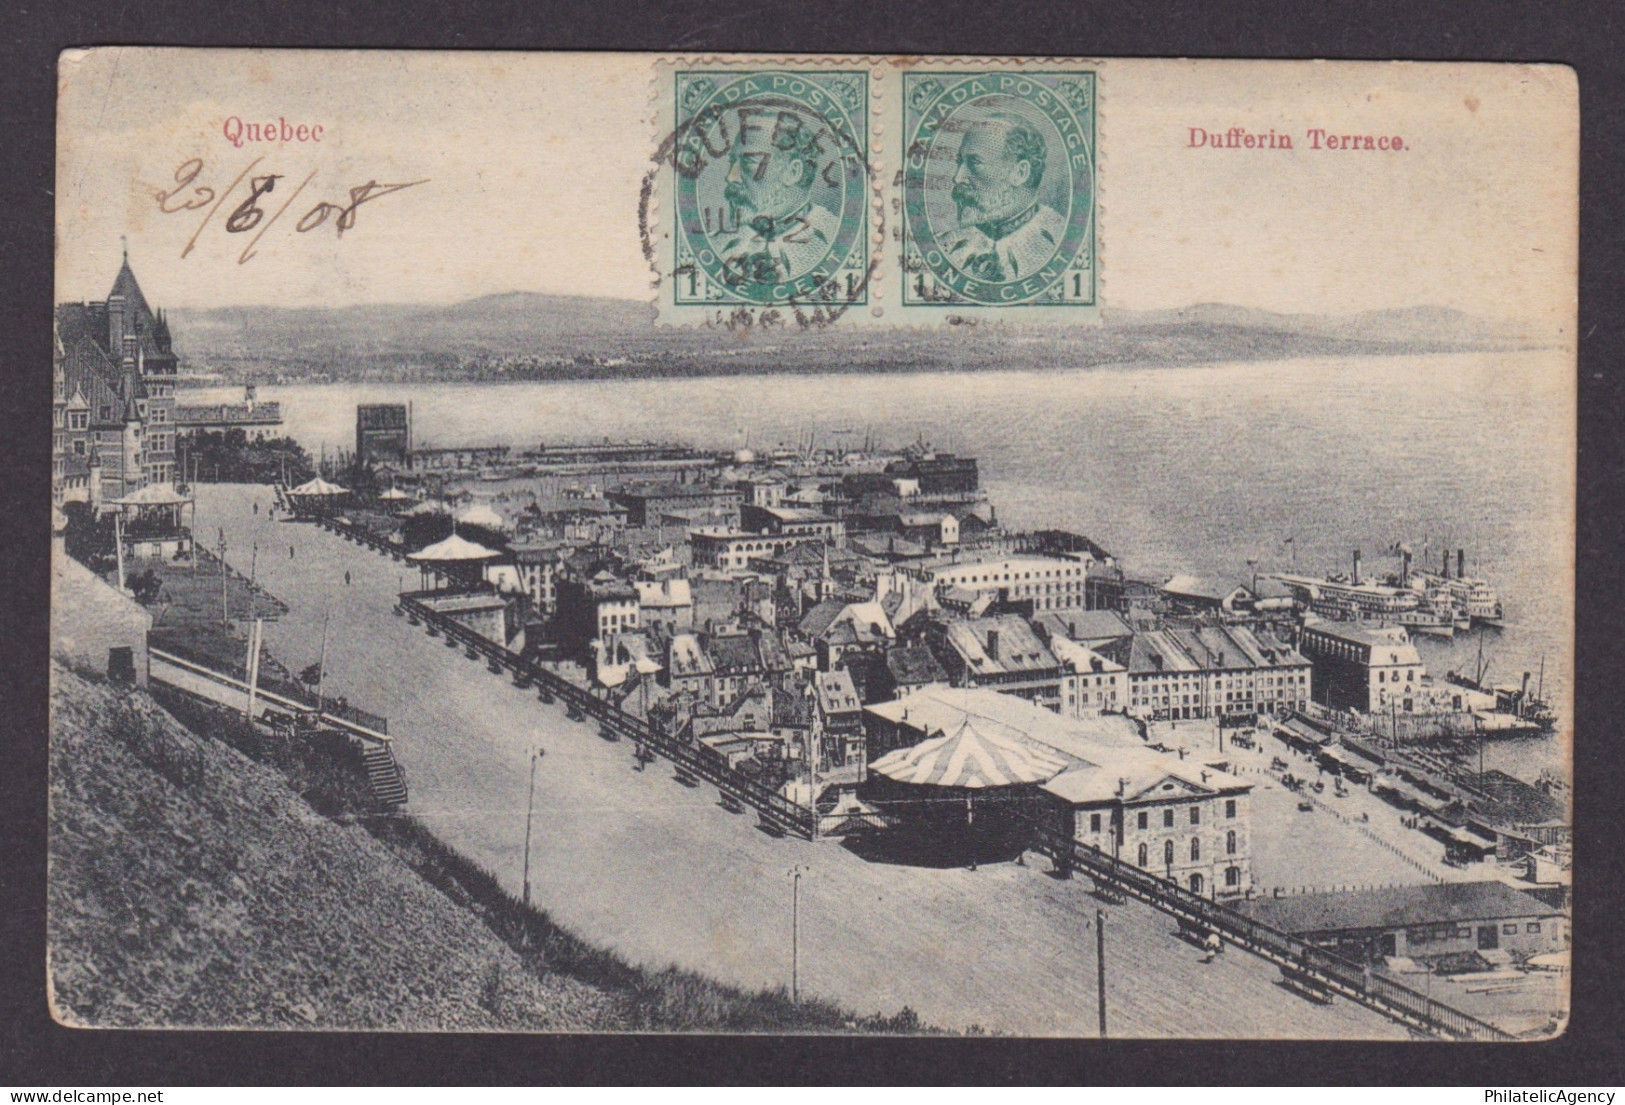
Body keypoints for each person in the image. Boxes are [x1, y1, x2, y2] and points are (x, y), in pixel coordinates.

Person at [714, 107, 843, 285]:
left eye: (748, 162)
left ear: (792, 172)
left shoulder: (835, 240)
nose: (731, 177)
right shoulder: (719, 244)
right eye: (732, 162)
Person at [940, 114, 1069, 284]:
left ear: (1020, 173)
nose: (958, 178)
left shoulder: (1063, 242)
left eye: (974, 163)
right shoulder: (944, 245)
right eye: (960, 162)